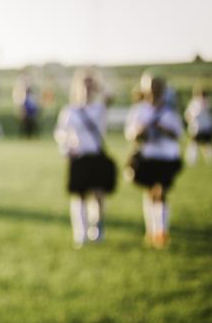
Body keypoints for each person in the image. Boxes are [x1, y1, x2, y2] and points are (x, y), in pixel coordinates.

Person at [54, 69, 116, 248]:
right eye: (85, 85)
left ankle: (97, 229)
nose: (87, 89)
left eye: (90, 85)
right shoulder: (70, 110)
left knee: (98, 195)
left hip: (96, 155)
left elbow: (111, 96)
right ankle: (80, 233)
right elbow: (60, 133)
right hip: (79, 157)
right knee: (79, 196)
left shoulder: (99, 108)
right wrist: (66, 149)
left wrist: (100, 85)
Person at [124, 73, 183, 248]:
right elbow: (130, 134)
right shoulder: (139, 110)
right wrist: (140, 132)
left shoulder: (170, 110)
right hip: (147, 156)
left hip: (166, 156)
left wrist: (163, 129)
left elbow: (178, 133)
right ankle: (151, 229)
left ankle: (161, 231)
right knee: (150, 192)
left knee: (161, 191)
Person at [184, 87, 212, 165]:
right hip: (197, 127)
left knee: (207, 143)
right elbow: (188, 115)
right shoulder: (194, 103)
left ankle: (210, 160)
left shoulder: (207, 103)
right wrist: (191, 122)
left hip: (205, 127)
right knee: (195, 143)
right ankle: (192, 160)